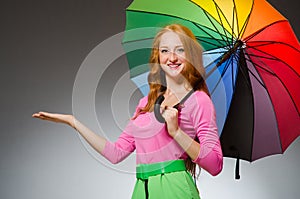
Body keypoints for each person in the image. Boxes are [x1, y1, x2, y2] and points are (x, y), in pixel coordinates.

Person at [32, 24, 223, 199]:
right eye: (165, 50)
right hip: (141, 189)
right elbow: (116, 153)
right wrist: (73, 122)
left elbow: (215, 164)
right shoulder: (146, 102)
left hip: (175, 188)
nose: (171, 58)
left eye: (179, 50)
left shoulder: (198, 101)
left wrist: (176, 132)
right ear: (157, 57)